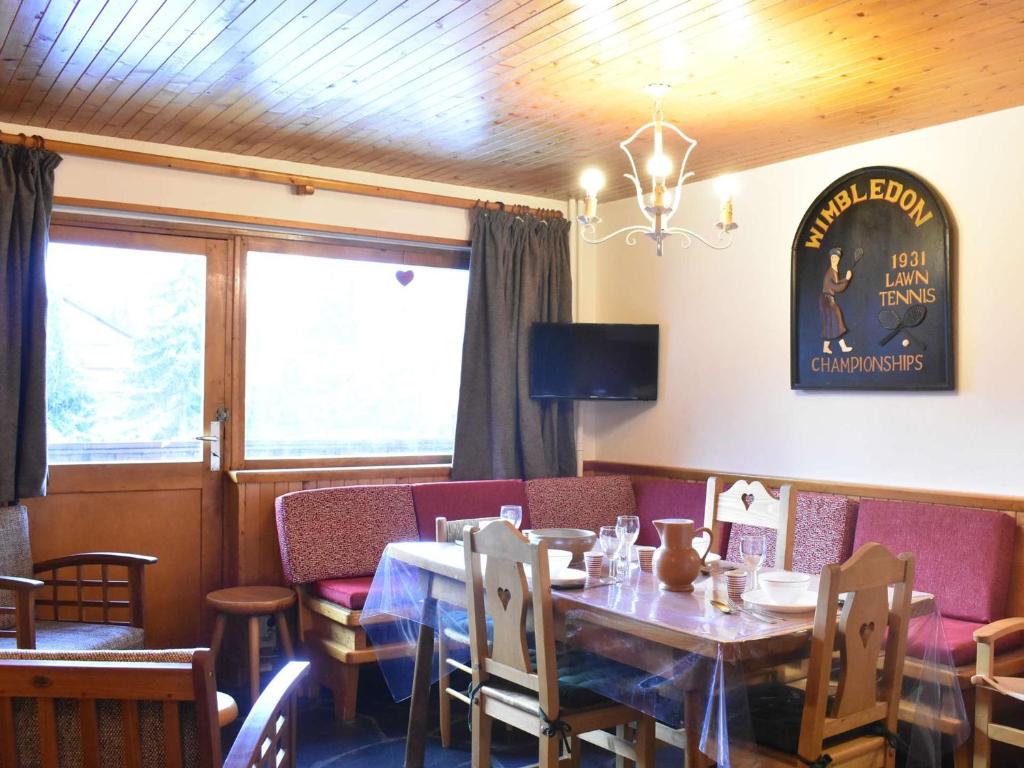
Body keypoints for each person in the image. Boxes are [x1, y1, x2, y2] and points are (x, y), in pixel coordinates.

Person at [820, 247, 854, 354]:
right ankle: (842, 346)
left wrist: (845, 279)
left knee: (831, 322)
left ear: (839, 259)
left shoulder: (834, 270)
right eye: (832, 257)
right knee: (835, 320)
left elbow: (838, 283)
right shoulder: (830, 271)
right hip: (826, 299)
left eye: (836, 257)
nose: (834, 259)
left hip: (828, 299)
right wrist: (847, 280)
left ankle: (826, 347)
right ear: (830, 258)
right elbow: (837, 288)